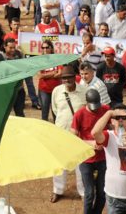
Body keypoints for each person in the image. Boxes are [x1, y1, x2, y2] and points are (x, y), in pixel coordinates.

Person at [51, 64, 87, 203]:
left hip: (79, 135)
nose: (67, 80)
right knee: (59, 164)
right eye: (64, 78)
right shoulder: (57, 91)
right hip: (61, 133)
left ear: (75, 77)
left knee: (81, 165)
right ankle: (57, 190)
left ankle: (83, 192)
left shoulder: (84, 91)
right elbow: (55, 110)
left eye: (69, 77)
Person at [72, 88, 109, 214]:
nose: (96, 109)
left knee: (102, 192)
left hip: (102, 157)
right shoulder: (79, 114)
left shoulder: (105, 110)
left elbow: (111, 128)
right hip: (86, 159)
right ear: (86, 102)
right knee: (89, 194)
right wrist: (90, 144)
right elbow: (73, 138)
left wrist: (103, 142)